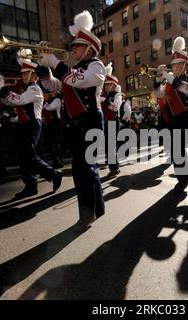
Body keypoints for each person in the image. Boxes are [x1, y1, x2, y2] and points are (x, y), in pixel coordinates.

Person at [37, 10, 105, 230]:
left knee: (83, 169)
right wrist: (43, 65)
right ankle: (97, 208)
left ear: (89, 49)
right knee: (86, 167)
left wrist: (55, 62)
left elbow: (80, 81)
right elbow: (53, 85)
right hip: (77, 124)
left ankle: (87, 215)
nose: (72, 49)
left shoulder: (97, 66)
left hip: (91, 121)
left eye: (77, 45)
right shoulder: (71, 70)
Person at [0, 54, 63, 199]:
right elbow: (10, 103)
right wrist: (1, 92)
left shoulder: (35, 89)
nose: (22, 76)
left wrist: (3, 89)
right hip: (24, 125)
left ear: (33, 75)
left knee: (30, 156)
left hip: (32, 125)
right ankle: (30, 185)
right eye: (22, 73)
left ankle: (53, 174)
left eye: (25, 73)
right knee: (23, 157)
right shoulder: (27, 89)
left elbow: (19, 100)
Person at [153, 36, 188, 191]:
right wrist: (158, 79)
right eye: (173, 65)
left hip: (184, 118)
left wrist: (170, 78)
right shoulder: (169, 81)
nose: (175, 67)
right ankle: (182, 176)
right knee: (173, 149)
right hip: (171, 118)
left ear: (185, 65)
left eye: (177, 64)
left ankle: (183, 178)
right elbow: (158, 95)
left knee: (179, 149)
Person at [101, 63, 122, 175]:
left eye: (109, 84)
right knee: (107, 146)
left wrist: (104, 101)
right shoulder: (102, 93)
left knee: (111, 146)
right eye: (105, 84)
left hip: (113, 122)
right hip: (105, 122)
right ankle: (113, 166)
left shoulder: (117, 95)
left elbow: (115, 107)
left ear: (114, 85)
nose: (106, 86)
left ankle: (114, 168)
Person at [42, 89, 64, 169]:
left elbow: (49, 108)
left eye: (52, 92)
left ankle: (59, 161)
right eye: (50, 92)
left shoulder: (57, 99)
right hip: (51, 123)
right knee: (51, 144)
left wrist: (44, 102)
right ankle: (56, 161)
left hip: (56, 122)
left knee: (55, 143)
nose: (51, 93)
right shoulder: (51, 100)